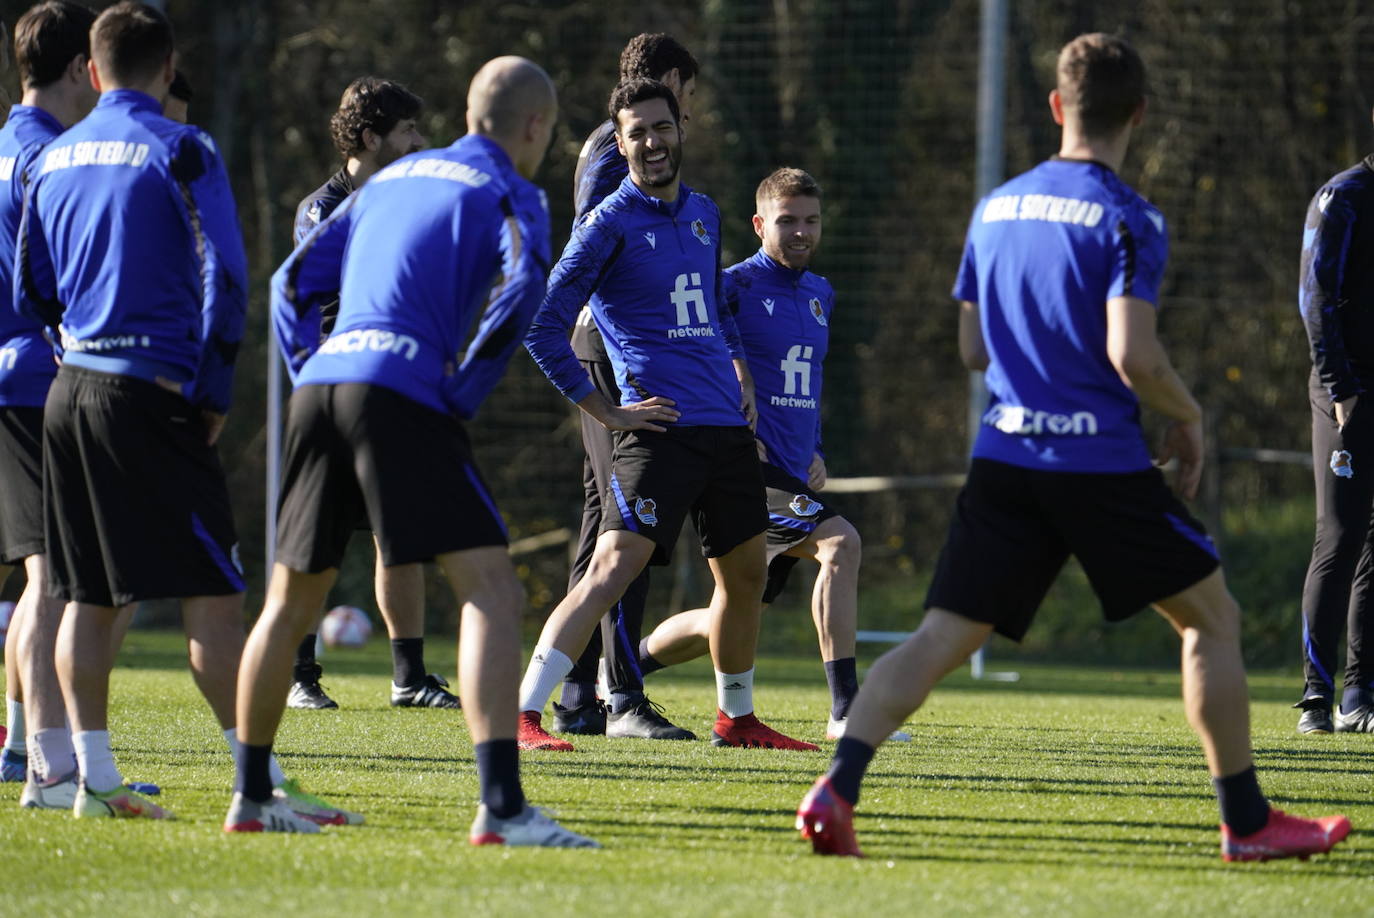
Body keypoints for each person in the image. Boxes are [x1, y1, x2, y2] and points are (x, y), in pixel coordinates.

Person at [796, 33, 1352, 862]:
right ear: (1138, 113)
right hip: (1097, 462)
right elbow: (1132, 355)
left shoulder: (996, 207)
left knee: (941, 637)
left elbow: (974, 349)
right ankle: (1245, 822)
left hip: (1006, 456)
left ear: (1058, 108)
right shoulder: (1130, 217)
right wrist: (1188, 411)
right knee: (1213, 620)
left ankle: (836, 789)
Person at [234, 56, 595, 846]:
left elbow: (288, 285)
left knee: (290, 603)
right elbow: (523, 291)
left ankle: (252, 797)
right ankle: (502, 810)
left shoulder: (387, 182)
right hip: (400, 389)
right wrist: (460, 391)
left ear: (469, 114)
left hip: (320, 385)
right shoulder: (513, 192)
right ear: (535, 127)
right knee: (492, 593)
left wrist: (309, 372)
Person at [13, 0, 341, 825]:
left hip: (66, 393)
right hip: (149, 393)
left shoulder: (52, 158)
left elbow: (30, 288)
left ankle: (92, 780)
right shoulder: (183, 148)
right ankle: (257, 789)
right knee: (213, 598)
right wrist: (214, 393)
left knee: (87, 595)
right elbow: (227, 282)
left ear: (92, 71)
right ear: (166, 70)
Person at [521, 78, 817, 753]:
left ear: (682, 127)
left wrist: (738, 367)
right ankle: (525, 712)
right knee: (610, 570)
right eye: (636, 133)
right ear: (619, 143)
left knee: (744, 579)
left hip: (726, 432)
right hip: (660, 433)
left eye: (661, 127)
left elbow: (713, 307)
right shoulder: (607, 225)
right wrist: (605, 409)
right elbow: (543, 327)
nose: (652, 142)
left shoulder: (706, 213)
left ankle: (735, 719)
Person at [636, 167, 909, 742]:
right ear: (760, 224)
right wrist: (732, 427)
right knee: (842, 545)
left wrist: (817, 450)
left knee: (734, 611)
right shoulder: (730, 286)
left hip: (794, 471)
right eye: (787, 221)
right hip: (746, 469)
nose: (801, 232)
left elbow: (807, 385)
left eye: (811, 220)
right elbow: (701, 360)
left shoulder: (820, 293)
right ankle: (846, 711)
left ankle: (623, 668)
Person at [286, 76, 457, 712]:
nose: (421, 141)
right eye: (408, 130)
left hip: (398, 391)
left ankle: (408, 678)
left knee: (400, 535)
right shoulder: (321, 207)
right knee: (317, 541)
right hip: (334, 392)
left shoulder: (411, 201)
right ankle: (298, 674)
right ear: (369, 137)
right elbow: (306, 296)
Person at [554, 32, 701, 740]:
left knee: (599, 521)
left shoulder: (602, 141)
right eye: (688, 95)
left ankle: (577, 691)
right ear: (673, 80)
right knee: (630, 524)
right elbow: (599, 248)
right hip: (613, 349)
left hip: (597, 346)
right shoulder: (622, 149)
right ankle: (622, 698)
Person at [0, 0, 98, 805]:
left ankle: (20, 746)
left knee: (38, 573)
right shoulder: (56, 157)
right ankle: (50, 763)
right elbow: (63, 283)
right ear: (78, 69)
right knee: (53, 577)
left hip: (8, 377)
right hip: (40, 377)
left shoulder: (2, 146)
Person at [1293, 119, 1374, 735]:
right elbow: (1315, 298)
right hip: (1345, 390)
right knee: (1341, 533)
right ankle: (1316, 697)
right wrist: (1341, 387)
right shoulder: (1343, 198)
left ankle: (1359, 694)